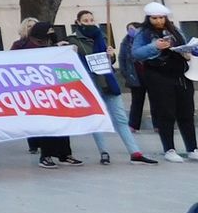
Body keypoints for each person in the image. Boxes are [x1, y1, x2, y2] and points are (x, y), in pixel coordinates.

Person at [66, 10, 157, 166]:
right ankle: (104, 152)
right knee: (97, 119)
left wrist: (111, 55)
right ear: (78, 22)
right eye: (85, 20)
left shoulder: (102, 36)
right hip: (90, 85)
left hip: (108, 83)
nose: (89, 22)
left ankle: (135, 152)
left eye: (91, 19)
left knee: (121, 119)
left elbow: (109, 61)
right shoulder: (73, 40)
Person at [131, 2, 196, 162]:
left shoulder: (175, 30)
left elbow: (185, 45)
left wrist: (187, 53)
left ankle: (192, 148)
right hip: (158, 75)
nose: (159, 21)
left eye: (161, 17)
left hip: (181, 74)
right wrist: (155, 46)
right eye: (155, 18)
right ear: (149, 18)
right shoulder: (144, 33)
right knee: (166, 112)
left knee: (186, 112)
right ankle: (169, 148)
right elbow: (137, 53)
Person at [13, 21, 83, 168]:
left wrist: (67, 51)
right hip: (37, 92)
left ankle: (65, 154)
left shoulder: (53, 44)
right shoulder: (22, 46)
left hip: (58, 90)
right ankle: (46, 156)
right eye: (49, 31)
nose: (51, 33)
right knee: (47, 124)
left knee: (63, 123)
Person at [11, 16, 40, 154]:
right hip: (26, 84)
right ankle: (33, 143)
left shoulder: (44, 43)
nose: (32, 28)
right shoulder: (18, 45)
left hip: (42, 84)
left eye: (34, 26)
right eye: (29, 26)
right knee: (30, 114)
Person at [118, 22, 152, 133]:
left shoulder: (146, 39)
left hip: (149, 73)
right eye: (129, 29)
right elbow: (122, 58)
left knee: (156, 101)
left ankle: (158, 124)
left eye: (133, 29)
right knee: (137, 101)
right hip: (134, 75)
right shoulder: (126, 42)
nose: (131, 32)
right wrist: (126, 74)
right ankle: (133, 125)